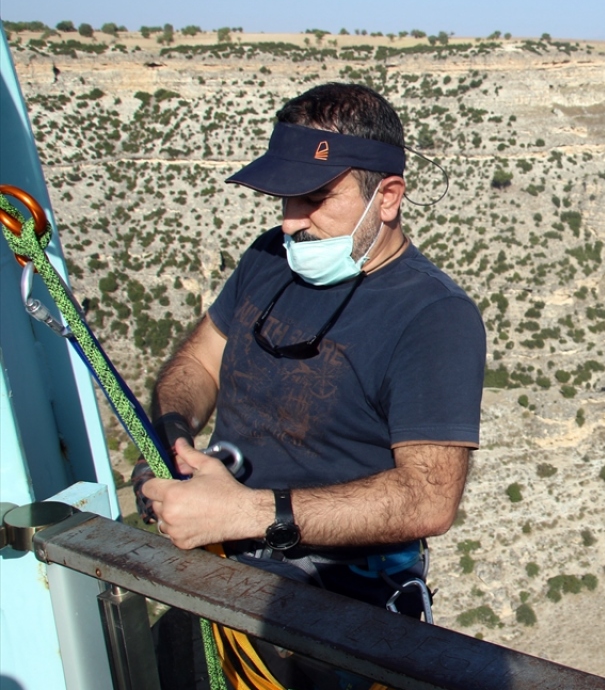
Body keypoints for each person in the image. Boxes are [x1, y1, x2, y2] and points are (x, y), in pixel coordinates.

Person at [134, 83, 486, 633]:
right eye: (285, 199)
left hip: (338, 606)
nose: (291, 221)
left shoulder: (433, 315)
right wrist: (172, 439)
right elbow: (200, 361)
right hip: (220, 568)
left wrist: (243, 514)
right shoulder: (269, 257)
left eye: (314, 198)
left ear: (388, 197)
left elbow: (428, 498)